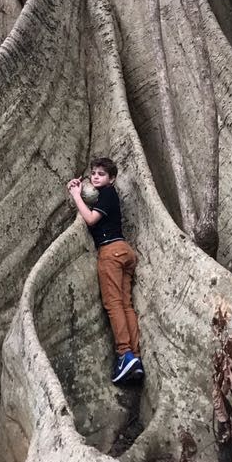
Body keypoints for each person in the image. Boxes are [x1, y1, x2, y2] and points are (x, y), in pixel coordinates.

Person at [67, 157, 145, 385]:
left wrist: (74, 196)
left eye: (101, 174)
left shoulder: (109, 194)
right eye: (93, 173)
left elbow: (90, 219)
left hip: (111, 252)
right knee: (125, 304)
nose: (95, 177)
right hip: (125, 252)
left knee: (113, 304)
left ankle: (124, 354)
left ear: (112, 179)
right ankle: (135, 358)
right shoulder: (105, 195)